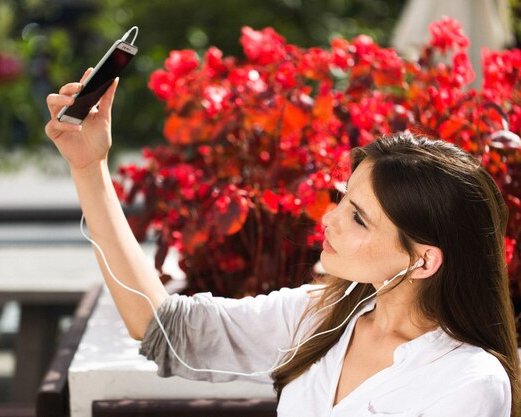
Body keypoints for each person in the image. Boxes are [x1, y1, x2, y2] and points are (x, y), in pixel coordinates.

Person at [45, 72, 520, 416]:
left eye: (358, 217)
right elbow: (160, 326)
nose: (329, 220)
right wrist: (89, 167)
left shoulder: (467, 383)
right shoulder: (323, 317)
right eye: (341, 199)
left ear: (423, 261)